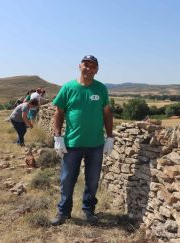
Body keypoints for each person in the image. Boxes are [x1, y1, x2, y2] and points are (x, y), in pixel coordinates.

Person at [51, 55, 114, 226]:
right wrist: (58, 137)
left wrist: (110, 137)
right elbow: (59, 113)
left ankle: (88, 211)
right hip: (72, 144)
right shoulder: (68, 88)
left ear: (97, 70)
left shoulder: (101, 89)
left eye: (93, 66)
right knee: (67, 180)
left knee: (92, 180)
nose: (89, 68)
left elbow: (107, 113)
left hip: (95, 144)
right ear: (79, 66)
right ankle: (63, 212)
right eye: (86, 65)